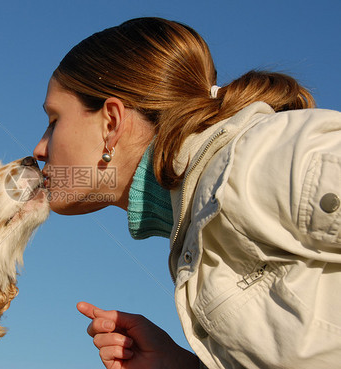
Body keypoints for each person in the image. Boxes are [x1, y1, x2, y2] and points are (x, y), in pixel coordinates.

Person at [33, 17, 341, 369]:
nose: (40, 148)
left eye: (54, 120)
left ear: (112, 124)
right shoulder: (195, 226)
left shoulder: (258, 158)